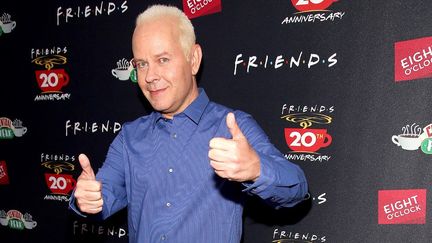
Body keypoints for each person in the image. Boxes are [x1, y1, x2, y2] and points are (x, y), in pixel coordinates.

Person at [69, 4, 308, 243]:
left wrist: (256, 169)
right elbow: (102, 197)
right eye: (141, 64)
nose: (150, 76)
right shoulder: (129, 138)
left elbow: (296, 189)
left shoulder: (232, 127)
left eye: (162, 59)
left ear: (193, 59)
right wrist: (87, 197)